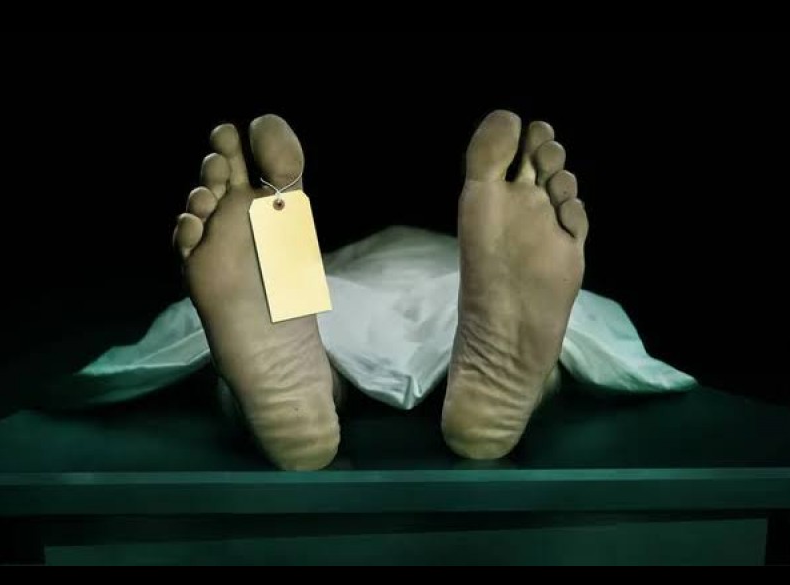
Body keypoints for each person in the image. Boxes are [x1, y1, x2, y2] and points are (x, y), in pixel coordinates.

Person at [173, 111, 588, 472]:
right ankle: (527, 388)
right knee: (568, 339)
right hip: (450, 285)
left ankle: (300, 399)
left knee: (287, 325)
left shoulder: (302, 266)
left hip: (333, 296)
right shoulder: (517, 249)